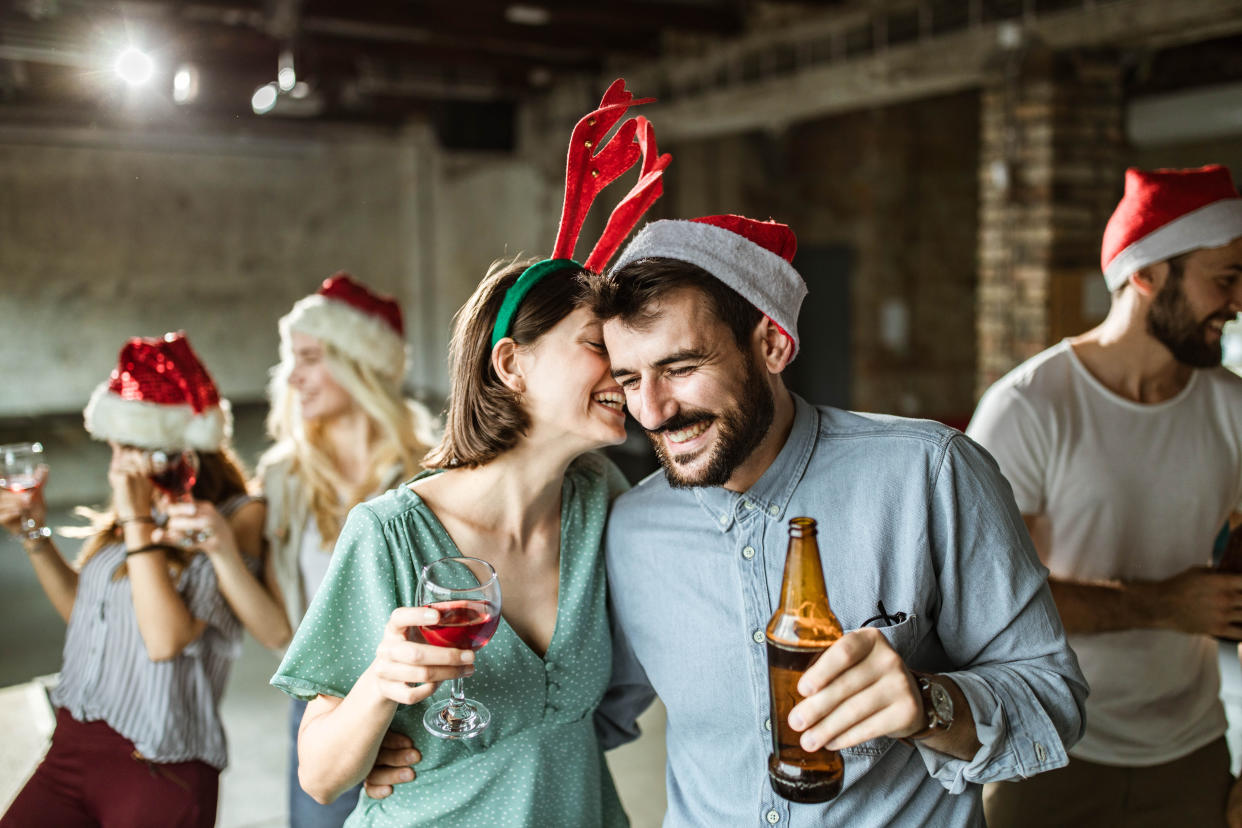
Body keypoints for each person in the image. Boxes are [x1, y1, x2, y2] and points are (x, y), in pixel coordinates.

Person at [576, 214, 1088, 825]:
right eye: (631, 380)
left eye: (682, 368)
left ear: (772, 344)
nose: (653, 412)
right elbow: (587, 714)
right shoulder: (632, 528)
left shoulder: (929, 473)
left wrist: (930, 703)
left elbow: (1053, 700)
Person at [271, 78, 669, 826]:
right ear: (511, 365)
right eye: (596, 347)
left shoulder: (601, 497)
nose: (622, 372)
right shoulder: (387, 532)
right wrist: (379, 685)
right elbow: (321, 778)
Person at [968, 164, 1242, 827]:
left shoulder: (1234, 408)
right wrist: (1162, 604)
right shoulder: (1029, 408)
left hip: (1193, 758)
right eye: (1224, 280)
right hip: (1047, 749)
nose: (1237, 303)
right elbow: (985, 605)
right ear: (1145, 276)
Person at [0, 332, 263, 828]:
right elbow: (85, 614)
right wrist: (32, 534)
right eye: (115, 447)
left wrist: (138, 519)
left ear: (171, 451)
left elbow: (164, 639)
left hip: (160, 762)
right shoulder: (130, 514)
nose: (116, 463)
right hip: (72, 746)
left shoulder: (230, 518)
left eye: (128, 448)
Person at [257, 272, 438, 827]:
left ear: (359, 365)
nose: (294, 378)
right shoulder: (282, 479)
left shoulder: (431, 470)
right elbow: (284, 633)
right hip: (324, 703)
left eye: (309, 357)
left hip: (420, 705)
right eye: (292, 359)